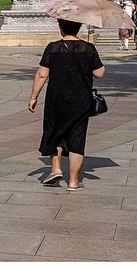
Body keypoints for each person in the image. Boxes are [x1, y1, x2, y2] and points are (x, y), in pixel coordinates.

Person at [28, 18, 105, 191]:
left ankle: (56, 169)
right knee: (77, 137)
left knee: (55, 131)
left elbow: (42, 74)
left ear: (61, 28)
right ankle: (73, 182)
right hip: (81, 100)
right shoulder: (88, 48)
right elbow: (100, 73)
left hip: (56, 98)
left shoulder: (53, 48)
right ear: (79, 27)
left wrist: (34, 96)